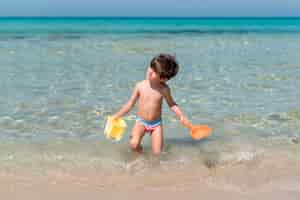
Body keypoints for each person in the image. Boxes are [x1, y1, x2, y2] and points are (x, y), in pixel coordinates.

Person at [112, 53, 191, 155]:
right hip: (141, 122)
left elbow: (172, 104)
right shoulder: (140, 86)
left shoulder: (164, 89)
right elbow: (130, 104)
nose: (150, 71)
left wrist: (181, 115)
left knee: (158, 153)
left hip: (156, 125)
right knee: (134, 144)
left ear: (163, 79)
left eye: (154, 72)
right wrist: (117, 116)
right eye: (150, 67)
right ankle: (141, 156)